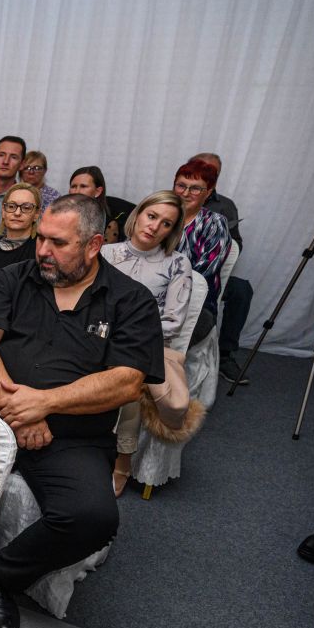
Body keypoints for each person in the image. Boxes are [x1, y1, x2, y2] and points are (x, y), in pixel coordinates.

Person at [0, 194, 164, 628]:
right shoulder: (14, 278)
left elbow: (127, 382)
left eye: (58, 242)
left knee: (94, 518)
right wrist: (22, 410)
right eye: (40, 238)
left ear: (93, 245)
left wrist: (47, 403)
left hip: (72, 436)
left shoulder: (131, 300)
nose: (43, 251)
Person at [101, 191, 192, 495]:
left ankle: (122, 460)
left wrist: (125, 336)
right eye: (152, 216)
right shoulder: (105, 253)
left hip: (143, 343)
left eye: (166, 223)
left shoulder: (177, 263)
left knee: (128, 378)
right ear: (138, 214)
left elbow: (174, 322)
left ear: (172, 231)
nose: (155, 226)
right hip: (97, 335)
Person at [193, 152, 254, 386]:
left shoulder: (225, 206)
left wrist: (217, 248)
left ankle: (225, 354)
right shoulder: (173, 199)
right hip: (177, 270)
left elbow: (237, 243)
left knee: (241, 290)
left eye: (212, 172)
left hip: (212, 272)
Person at [173, 158, 232, 340]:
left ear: (208, 193)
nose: (186, 193)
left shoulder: (215, 223)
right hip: (150, 294)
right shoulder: (161, 215)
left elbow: (203, 274)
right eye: (181, 186)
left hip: (196, 306)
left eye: (195, 189)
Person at [68, 165, 134, 243]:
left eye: (83, 186)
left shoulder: (109, 224)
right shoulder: (62, 213)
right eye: (73, 186)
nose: (77, 191)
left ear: (98, 191)